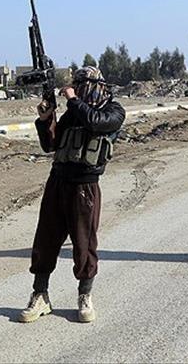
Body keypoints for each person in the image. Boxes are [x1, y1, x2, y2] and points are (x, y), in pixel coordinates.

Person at [19, 66, 125, 323]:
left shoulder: (113, 111)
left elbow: (96, 123)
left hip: (85, 187)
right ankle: (40, 295)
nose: (77, 89)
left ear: (97, 85)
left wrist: (73, 100)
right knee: (45, 240)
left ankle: (85, 296)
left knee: (84, 244)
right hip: (58, 182)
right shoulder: (73, 112)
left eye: (81, 84)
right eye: (75, 85)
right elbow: (50, 145)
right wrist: (46, 120)